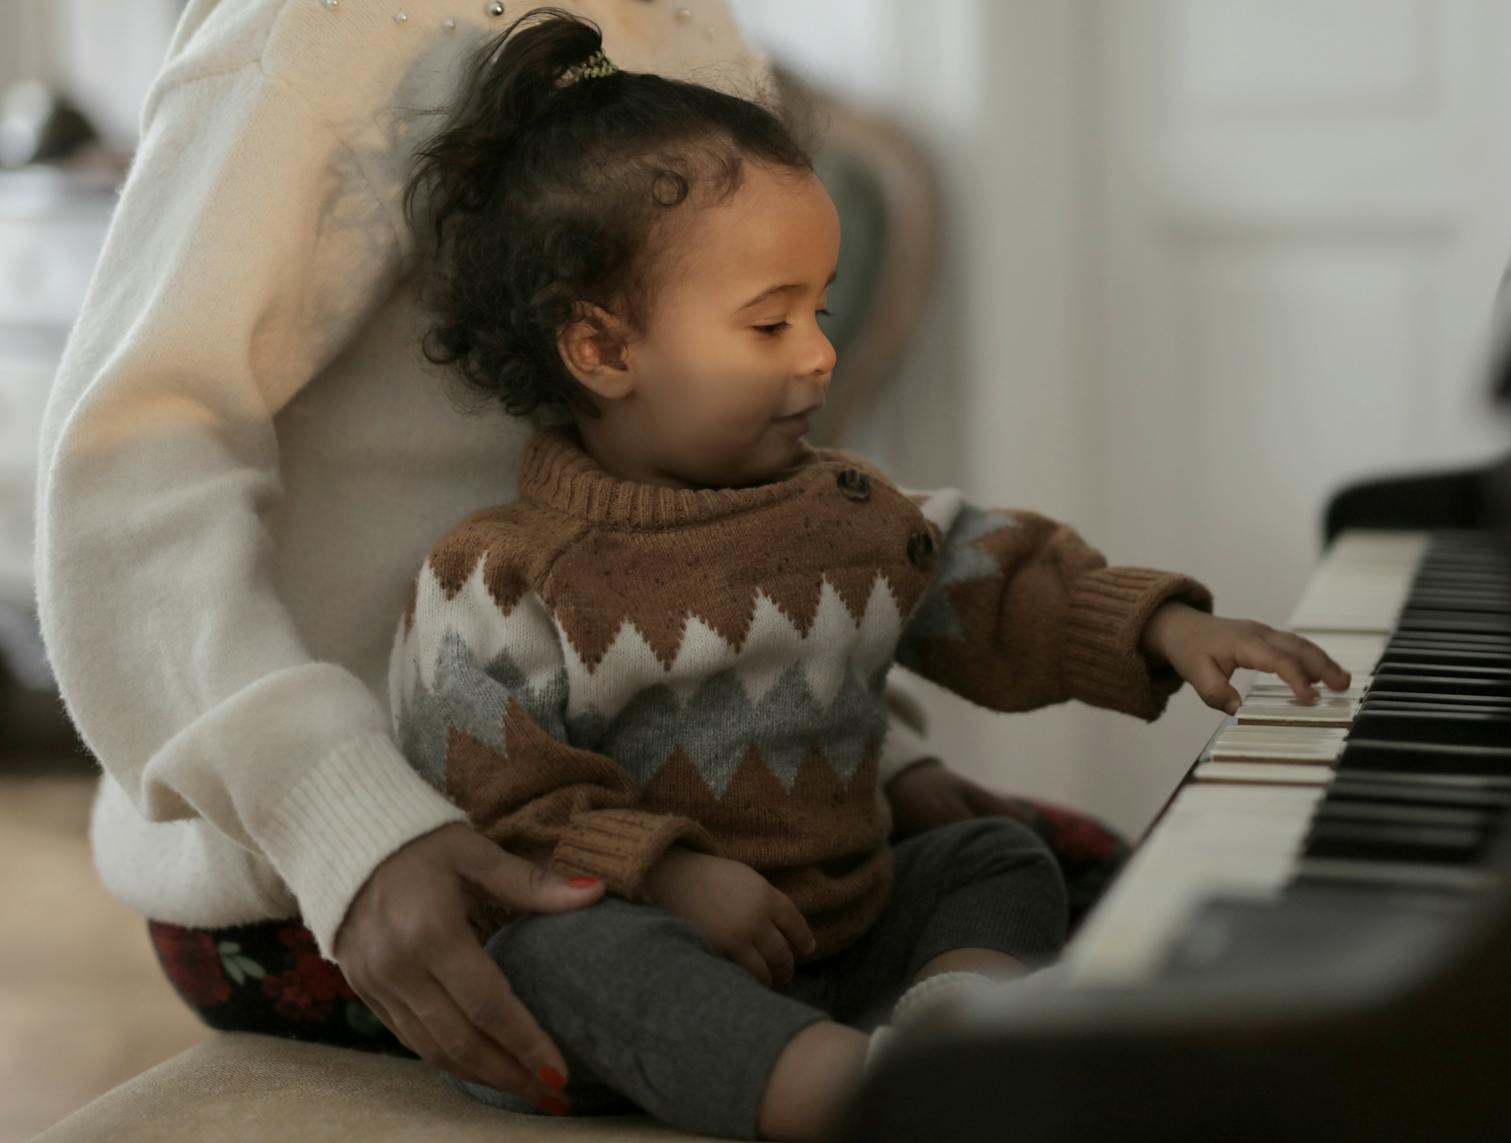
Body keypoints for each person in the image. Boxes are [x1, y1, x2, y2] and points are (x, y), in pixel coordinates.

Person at [30, 0, 1119, 1124]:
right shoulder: (320, 34)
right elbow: (129, 473)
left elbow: (694, 494)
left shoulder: (689, 31)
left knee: (1109, 896)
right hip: (372, 859)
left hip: (683, 806)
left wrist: (856, 756)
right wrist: (348, 830)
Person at [374, 10, 1351, 1139]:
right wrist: (676, 875)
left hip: (848, 931)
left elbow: (995, 580)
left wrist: (1163, 631)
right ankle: (850, 1097)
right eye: (766, 322)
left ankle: (949, 1036)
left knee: (994, 854)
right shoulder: (500, 577)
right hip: (665, 949)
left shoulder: (847, 515)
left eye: (818, 309)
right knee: (560, 950)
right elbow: (504, 807)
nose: (817, 353)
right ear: (602, 349)